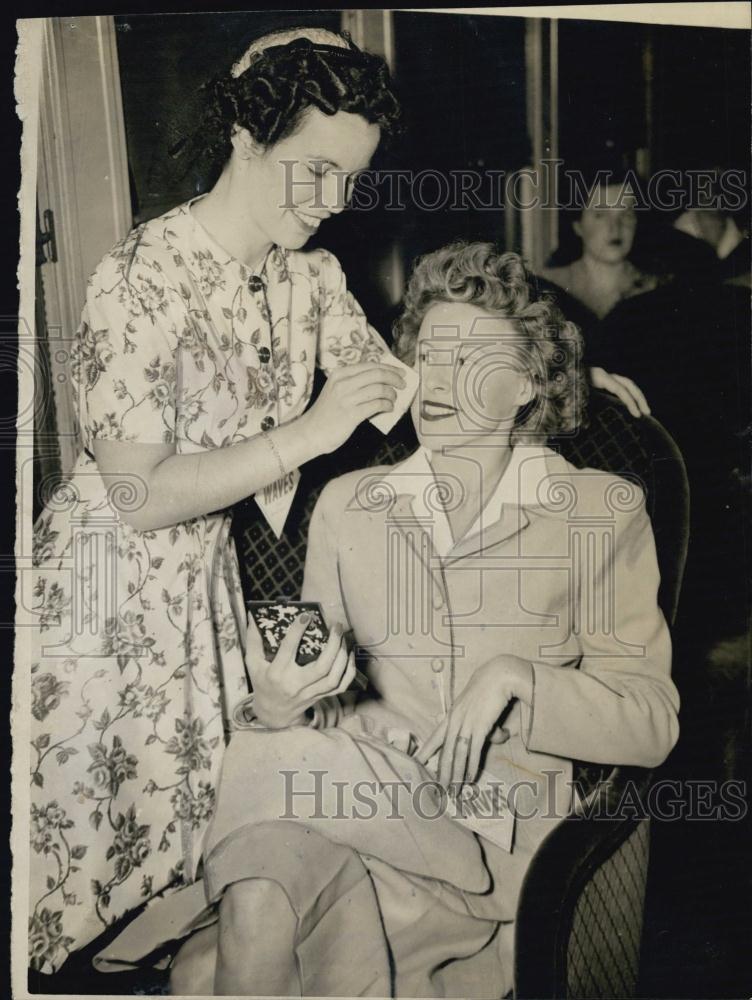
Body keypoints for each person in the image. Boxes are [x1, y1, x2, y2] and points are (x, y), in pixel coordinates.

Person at [99, 243, 679, 997]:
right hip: (349, 803)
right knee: (240, 930)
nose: (439, 381)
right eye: (429, 355)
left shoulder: (597, 512)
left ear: (529, 385)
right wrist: (279, 702)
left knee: (240, 963)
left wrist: (517, 682)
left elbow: (651, 721)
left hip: (484, 842)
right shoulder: (350, 505)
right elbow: (319, 698)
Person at [28, 26, 420, 975]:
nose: (335, 203)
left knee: (162, 905)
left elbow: (404, 388)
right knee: (63, 900)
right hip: (96, 605)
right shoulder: (139, 274)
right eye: (313, 170)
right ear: (248, 137)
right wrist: (309, 433)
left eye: (351, 179)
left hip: (201, 602)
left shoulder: (313, 277)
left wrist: (548, 374)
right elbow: (133, 494)